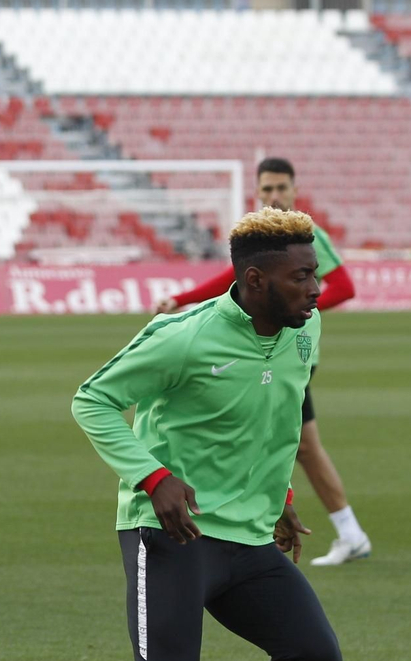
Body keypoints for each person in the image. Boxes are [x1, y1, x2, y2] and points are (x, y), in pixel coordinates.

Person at [36, 208, 343, 661]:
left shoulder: (305, 327)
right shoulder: (186, 335)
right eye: (303, 276)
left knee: (315, 658)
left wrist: (283, 497)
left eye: (315, 272)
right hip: (169, 531)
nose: (318, 287)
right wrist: (154, 477)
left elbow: (275, 414)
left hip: (251, 535)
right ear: (256, 279)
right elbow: (93, 399)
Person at [154, 157, 371, 568]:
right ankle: (338, 530)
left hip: (289, 354)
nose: (274, 197)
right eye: (266, 190)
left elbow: (344, 286)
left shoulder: (306, 236)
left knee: (289, 442)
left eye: (281, 189)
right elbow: (233, 278)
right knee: (292, 443)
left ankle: (327, 530)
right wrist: (184, 299)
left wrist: (293, 308)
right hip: (270, 350)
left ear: (294, 190)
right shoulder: (267, 242)